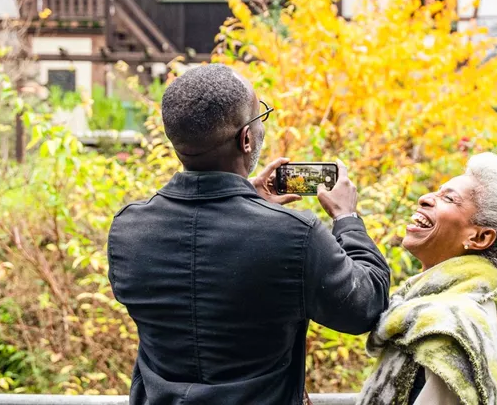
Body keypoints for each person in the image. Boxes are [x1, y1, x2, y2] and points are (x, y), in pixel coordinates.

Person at [108, 64, 391, 405]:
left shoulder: (128, 229)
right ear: (246, 139)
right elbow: (364, 306)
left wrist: (249, 203)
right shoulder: (294, 235)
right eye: (261, 116)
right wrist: (347, 216)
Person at [358, 153, 497, 405]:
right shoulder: (448, 309)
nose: (424, 198)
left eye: (449, 198)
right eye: (437, 192)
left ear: (480, 238)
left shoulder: (451, 323)